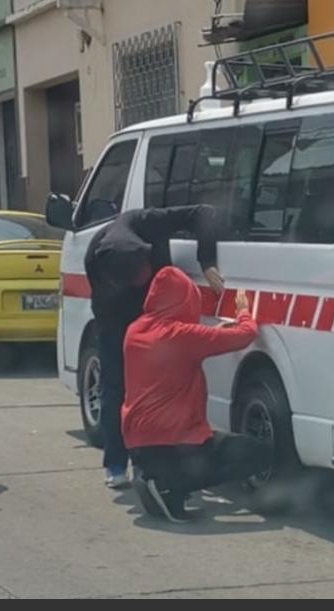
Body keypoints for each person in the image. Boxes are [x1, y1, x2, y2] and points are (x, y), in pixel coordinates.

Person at [84, 205, 225, 489]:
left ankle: (148, 461)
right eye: (134, 280)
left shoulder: (148, 224)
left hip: (157, 319)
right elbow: (104, 312)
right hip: (117, 320)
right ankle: (115, 463)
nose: (142, 280)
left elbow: (205, 212)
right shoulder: (96, 258)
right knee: (115, 388)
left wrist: (206, 262)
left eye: (143, 273)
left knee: (157, 392)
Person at [122, 267, 272, 522]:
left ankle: (152, 474)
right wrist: (244, 312)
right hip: (174, 440)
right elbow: (244, 336)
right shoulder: (181, 336)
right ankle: (168, 485)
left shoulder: (135, 330)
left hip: (137, 439)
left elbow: (186, 342)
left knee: (187, 451)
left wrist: (212, 332)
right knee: (256, 454)